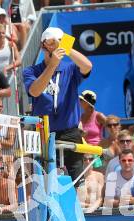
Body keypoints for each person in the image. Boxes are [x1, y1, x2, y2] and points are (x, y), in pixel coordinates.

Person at [23, 27, 92, 184]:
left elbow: (87, 66)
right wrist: (52, 65)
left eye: (58, 43)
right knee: (44, 182)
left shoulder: (69, 68)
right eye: (51, 43)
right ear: (43, 46)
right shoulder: (31, 71)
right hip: (43, 133)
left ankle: (76, 208)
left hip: (70, 132)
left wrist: (67, 47)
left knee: (77, 182)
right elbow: (34, 91)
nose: (55, 47)